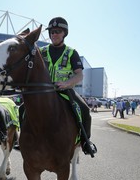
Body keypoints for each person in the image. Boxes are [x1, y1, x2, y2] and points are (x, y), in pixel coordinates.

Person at [39, 17, 97, 157]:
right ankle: (22, 140)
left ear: (64, 33)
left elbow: (79, 75)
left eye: (57, 31)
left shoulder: (71, 53)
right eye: (52, 32)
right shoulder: (41, 52)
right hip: (43, 92)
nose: (54, 34)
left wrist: (66, 84)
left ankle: (85, 142)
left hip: (65, 91)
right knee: (23, 108)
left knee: (85, 110)